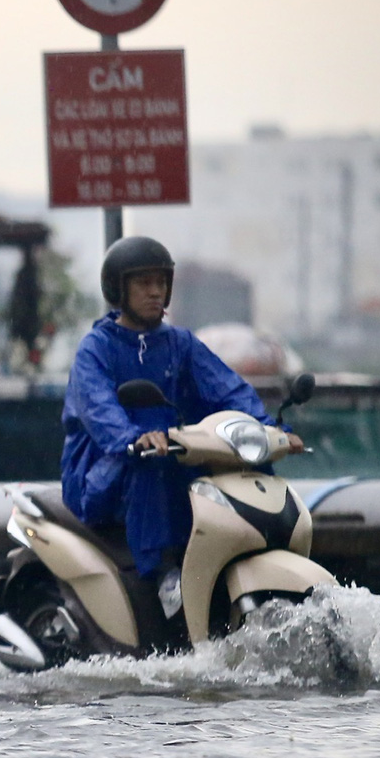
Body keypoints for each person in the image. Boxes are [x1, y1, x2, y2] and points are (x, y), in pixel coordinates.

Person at [60, 236, 303, 624]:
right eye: (143, 283)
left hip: (171, 450)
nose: (155, 292)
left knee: (237, 468)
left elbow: (227, 389)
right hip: (103, 466)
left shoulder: (180, 344)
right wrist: (131, 438)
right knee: (151, 466)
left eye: (161, 282)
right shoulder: (96, 349)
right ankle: (163, 575)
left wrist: (269, 430)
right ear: (118, 289)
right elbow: (98, 408)